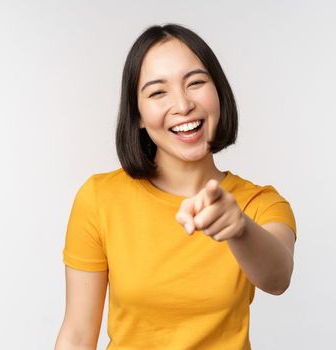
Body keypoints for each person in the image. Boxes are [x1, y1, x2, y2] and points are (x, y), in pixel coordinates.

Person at [54, 24, 297, 350]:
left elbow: (277, 278)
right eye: (158, 92)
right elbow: (77, 336)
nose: (183, 105)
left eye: (196, 83)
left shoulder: (260, 203)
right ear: (137, 114)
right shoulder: (99, 198)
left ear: (219, 93)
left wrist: (239, 228)